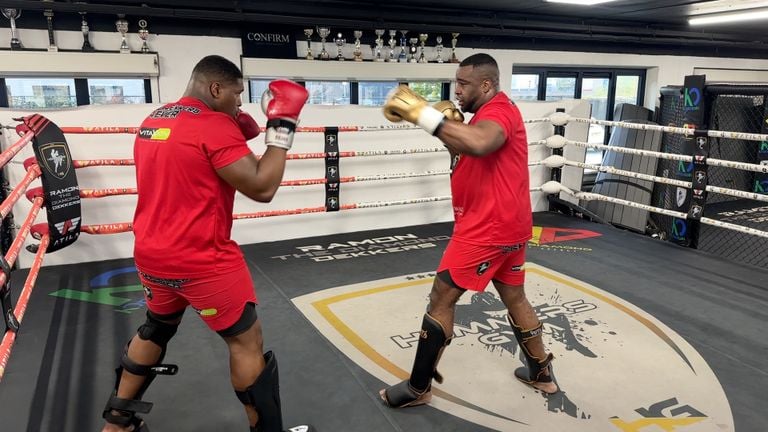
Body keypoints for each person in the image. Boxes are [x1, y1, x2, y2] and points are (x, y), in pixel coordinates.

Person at [100, 55, 314, 432]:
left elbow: (192, 155)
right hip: (203, 261)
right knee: (246, 342)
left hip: (151, 255)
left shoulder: (154, 121)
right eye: (236, 94)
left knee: (157, 326)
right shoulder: (214, 126)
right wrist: (282, 126)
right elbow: (262, 187)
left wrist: (237, 124)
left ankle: (117, 423)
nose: (239, 103)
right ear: (215, 88)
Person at [379, 53, 559, 408]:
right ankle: (541, 373)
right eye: (456, 83)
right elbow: (469, 151)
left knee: (440, 298)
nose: (456, 90)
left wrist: (423, 114)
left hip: (486, 231)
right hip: (509, 226)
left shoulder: (499, 113)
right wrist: (444, 130)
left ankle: (418, 388)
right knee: (516, 298)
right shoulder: (483, 118)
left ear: (487, 85)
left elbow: (479, 143)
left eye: (464, 84)